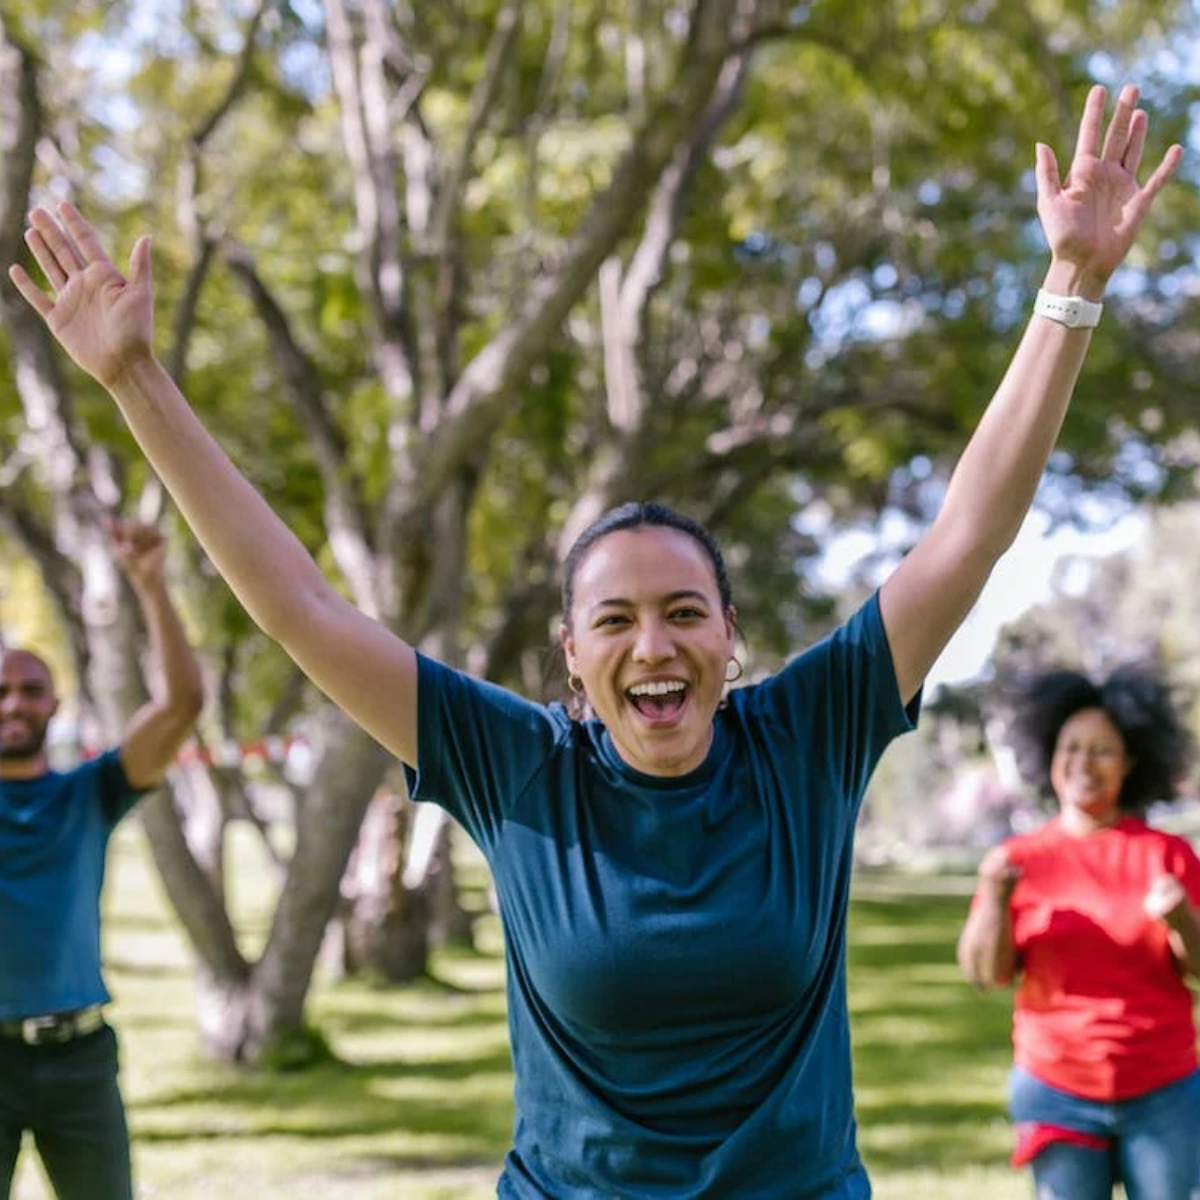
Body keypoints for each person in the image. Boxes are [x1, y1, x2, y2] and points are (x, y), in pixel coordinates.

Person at [7, 83, 1181, 1197]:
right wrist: (136, 380)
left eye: (682, 611)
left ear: (730, 634)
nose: (652, 645)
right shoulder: (514, 765)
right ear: (571, 653)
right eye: (612, 619)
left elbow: (966, 536)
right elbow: (299, 608)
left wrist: (1069, 285)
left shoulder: (807, 736)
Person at [0, 518, 204, 1200]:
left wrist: (151, 587)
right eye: (1, 691)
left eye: (31, 690)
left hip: (78, 1062)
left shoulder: (87, 794)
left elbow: (181, 705)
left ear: (55, 705)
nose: (14, 703)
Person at [957, 667, 1200, 1199]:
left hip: (1163, 1087)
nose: (1083, 763)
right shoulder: (1017, 861)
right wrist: (995, 899)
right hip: (1055, 1086)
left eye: (1102, 750)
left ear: (1131, 762)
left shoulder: (1167, 855)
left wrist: (1181, 917)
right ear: (1050, 756)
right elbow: (985, 974)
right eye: (1071, 748)